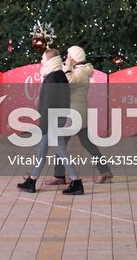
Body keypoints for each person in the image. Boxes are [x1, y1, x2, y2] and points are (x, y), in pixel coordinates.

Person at [17, 47, 84, 196]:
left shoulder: (52, 78)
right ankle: (32, 180)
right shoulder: (59, 75)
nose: (41, 61)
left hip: (52, 119)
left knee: (60, 149)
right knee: (42, 150)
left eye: (43, 58)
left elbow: (49, 103)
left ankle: (76, 182)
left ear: (50, 61)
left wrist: (44, 124)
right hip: (56, 117)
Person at [45, 45, 112, 186]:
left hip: (74, 113)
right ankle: (104, 170)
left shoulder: (81, 72)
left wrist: (67, 67)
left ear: (75, 57)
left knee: (61, 143)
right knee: (85, 142)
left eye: (69, 56)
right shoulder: (78, 70)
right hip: (75, 112)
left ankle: (59, 176)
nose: (66, 58)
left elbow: (67, 82)